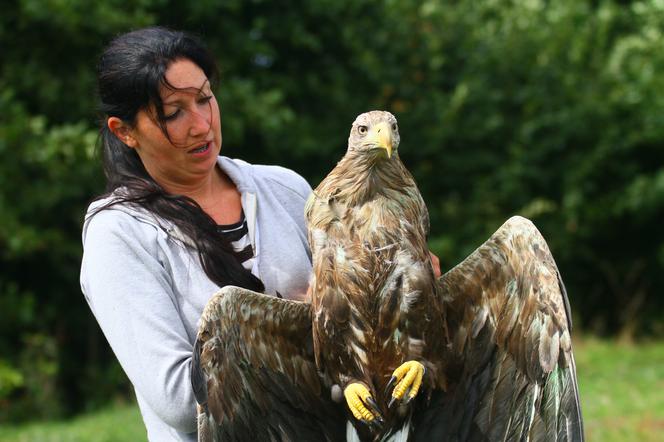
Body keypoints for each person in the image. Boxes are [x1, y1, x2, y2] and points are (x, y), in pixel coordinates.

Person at [81, 26, 441, 442]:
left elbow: (357, 328)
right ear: (125, 131)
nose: (201, 125)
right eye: (173, 113)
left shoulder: (285, 189)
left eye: (204, 99)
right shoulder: (119, 233)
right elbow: (182, 403)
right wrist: (310, 332)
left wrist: (400, 298)